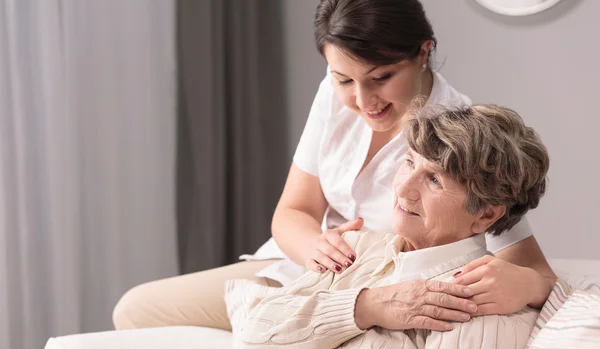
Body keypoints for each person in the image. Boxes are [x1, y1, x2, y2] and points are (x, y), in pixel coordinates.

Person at [112, 0, 555, 332]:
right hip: (298, 271)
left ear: (423, 53)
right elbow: (293, 211)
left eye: (381, 77)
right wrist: (314, 249)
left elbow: (534, 271)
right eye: (344, 79)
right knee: (135, 309)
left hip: (371, 293)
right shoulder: (333, 97)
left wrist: (526, 286)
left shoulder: (459, 136)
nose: (363, 101)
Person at [225, 104, 549, 349]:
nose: (403, 189)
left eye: (434, 179)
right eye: (409, 162)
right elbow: (254, 342)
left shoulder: (474, 300)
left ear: (486, 215)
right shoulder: (356, 247)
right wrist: (363, 306)